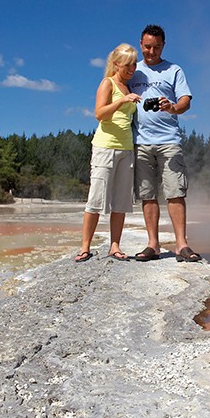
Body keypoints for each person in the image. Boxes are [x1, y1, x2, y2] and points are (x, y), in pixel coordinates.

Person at [128, 23, 201, 262]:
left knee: (175, 192)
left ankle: (181, 244)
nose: (151, 52)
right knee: (148, 194)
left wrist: (172, 107)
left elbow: (185, 101)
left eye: (156, 48)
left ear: (163, 46)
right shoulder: (132, 71)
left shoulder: (174, 70)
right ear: (140, 44)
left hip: (169, 140)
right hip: (140, 141)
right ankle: (153, 245)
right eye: (147, 47)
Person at [74, 43, 141, 262]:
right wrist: (122, 101)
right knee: (95, 198)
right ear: (116, 64)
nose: (132, 69)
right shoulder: (108, 84)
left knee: (121, 200)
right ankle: (85, 247)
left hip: (126, 149)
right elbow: (99, 114)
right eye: (127, 65)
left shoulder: (130, 87)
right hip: (105, 147)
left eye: (133, 64)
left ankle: (115, 245)